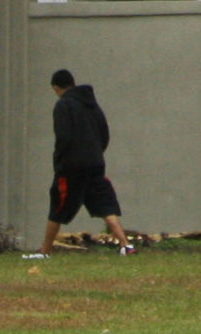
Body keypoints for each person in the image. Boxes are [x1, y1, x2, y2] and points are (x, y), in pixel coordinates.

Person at [38, 68, 133, 253]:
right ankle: (125, 245)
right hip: (95, 164)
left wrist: (59, 161)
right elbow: (104, 133)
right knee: (105, 205)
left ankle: (45, 251)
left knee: (58, 205)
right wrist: (96, 153)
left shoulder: (63, 105)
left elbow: (63, 137)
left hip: (71, 167)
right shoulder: (92, 104)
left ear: (57, 88)